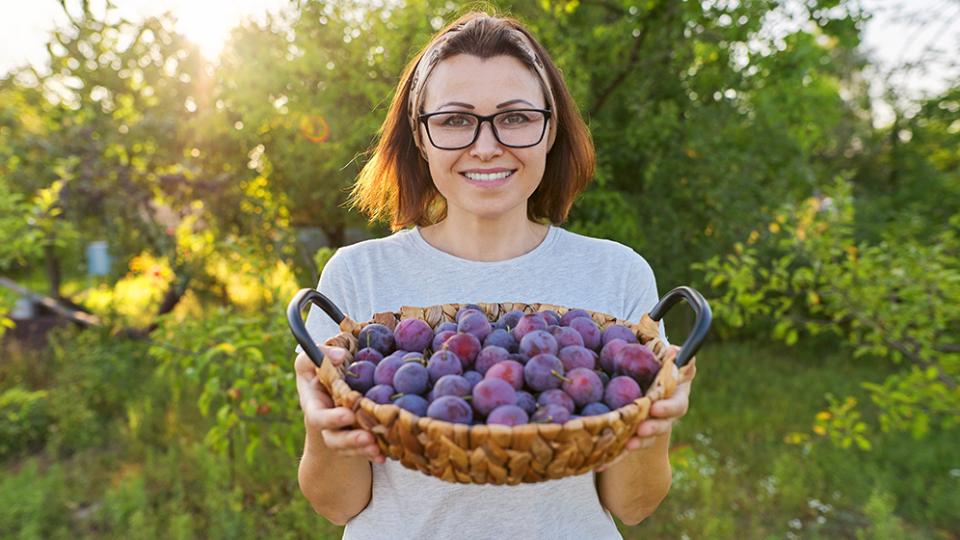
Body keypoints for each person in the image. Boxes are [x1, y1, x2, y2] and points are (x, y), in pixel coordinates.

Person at [293, 11, 695, 539]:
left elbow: (633, 505)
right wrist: (324, 425)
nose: (486, 145)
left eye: (516, 117)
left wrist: (653, 424)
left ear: (550, 130)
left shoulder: (616, 274)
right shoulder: (359, 275)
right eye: (456, 119)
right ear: (420, 135)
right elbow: (337, 505)